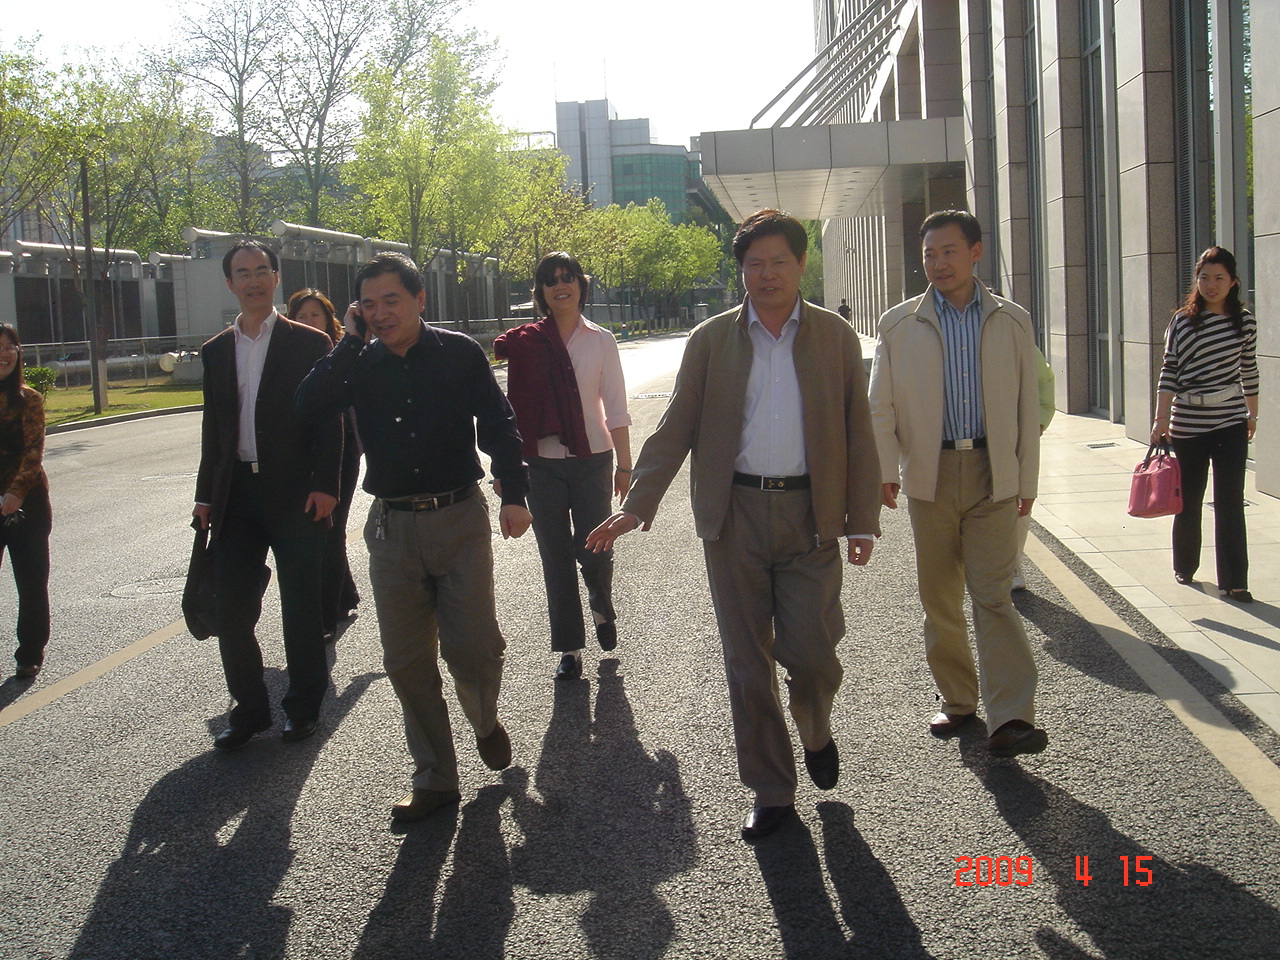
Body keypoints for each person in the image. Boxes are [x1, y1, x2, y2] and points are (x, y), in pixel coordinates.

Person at [586, 209, 881, 841]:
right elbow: (677, 425)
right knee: (748, 663)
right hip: (734, 515)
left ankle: (815, 727)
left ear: (801, 264)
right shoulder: (711, 339)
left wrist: (862, 521)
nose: (767, 274)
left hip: (810, 516)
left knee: (813, 654)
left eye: (779, 262)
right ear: (741, 270)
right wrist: (638, 502)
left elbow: (859, 429)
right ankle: (771, 789)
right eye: (754, 264)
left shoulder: (834, 337)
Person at [296, 252, 533, 824]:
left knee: (474, 648)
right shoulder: (357, 362)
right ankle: (435, 777)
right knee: (405, 660)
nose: (381, 313)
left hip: (459, 519)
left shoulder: (459, 353)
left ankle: (484, 720)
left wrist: (515, 493)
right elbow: (307, 406)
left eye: (391, 301)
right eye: (368, 304)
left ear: (420, 299)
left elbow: (499, 422)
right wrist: (349, 343)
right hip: (392, 528)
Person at [869, 209, 1045, 759]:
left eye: (948, 251)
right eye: (929, 254)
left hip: (994, 471)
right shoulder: (898, 324)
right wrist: (885, 469)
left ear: (975, 252)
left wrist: (1027, 478)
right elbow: (880, 406)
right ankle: (959, 699)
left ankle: (1012, 716)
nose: (938, 263)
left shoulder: (1013, 321)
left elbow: (1029, 405)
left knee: (993, 595)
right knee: (940, 596)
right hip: (931, 473)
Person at [193, 239, 342, 750]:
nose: (253, 280)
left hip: (296, 493)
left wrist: (326, 484)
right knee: (231, 609)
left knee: (300, 607)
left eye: (262, 270)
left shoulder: (309, 343)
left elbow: (328, 419)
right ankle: (250, 710)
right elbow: (213, 429)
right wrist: (205, 496)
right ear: (229, 283)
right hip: (236, 494)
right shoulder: (216, 350)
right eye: (243, 272)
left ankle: (303, 708)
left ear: (277, 278)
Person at [493, 252, 632, 680]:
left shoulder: (601, 340)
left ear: (581, 286)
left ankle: (601, 603)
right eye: (551, 280)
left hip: (593, 458)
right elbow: (513, 409)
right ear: (541, 292)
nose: (560, 285)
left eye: (568, 277)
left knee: (595, 547)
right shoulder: (527, 342)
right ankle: (570, 648)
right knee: (555, 556)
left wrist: (625, 466)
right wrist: (507, 471)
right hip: (540, 464)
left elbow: (616, 406)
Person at [1151, 246, 1258, 602]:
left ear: (1233, 282)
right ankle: (1185, 565)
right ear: (1196, 280)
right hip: (1188, 423)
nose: (1211, 285)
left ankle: (1235, 581)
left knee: (1230, 502)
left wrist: (1252, 415)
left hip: (1230, 420)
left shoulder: (1244, 321)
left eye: (1219, 278)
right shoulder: (1182, 321)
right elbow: (1170, 369)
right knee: (1189, 498)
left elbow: (1249, 370)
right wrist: (1160, 418)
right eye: (1205, 277)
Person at [286, 288, 362, 636]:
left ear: (329, 319)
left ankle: (327, 615)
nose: (308, 321)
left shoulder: (343, 350)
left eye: (315, 315)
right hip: (303, 452)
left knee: (331, 529)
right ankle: (344, 593)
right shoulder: (287, 353)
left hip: (342, 450)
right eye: (301, 316)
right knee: (319, 529)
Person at [0, 325, 51, 680]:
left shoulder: (29, 399)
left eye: (9, 347)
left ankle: (30, 653)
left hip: (27, 503)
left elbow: (33, 452)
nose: (3, 354)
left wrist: (15, 493)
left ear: (18, 353)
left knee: (31, 584)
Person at [1012, 347, 1055, 591]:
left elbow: (1043, 379)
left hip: (1015, 430)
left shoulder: (1010, 329)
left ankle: (1012, 562)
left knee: (1018, 497)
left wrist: (1038, 420)